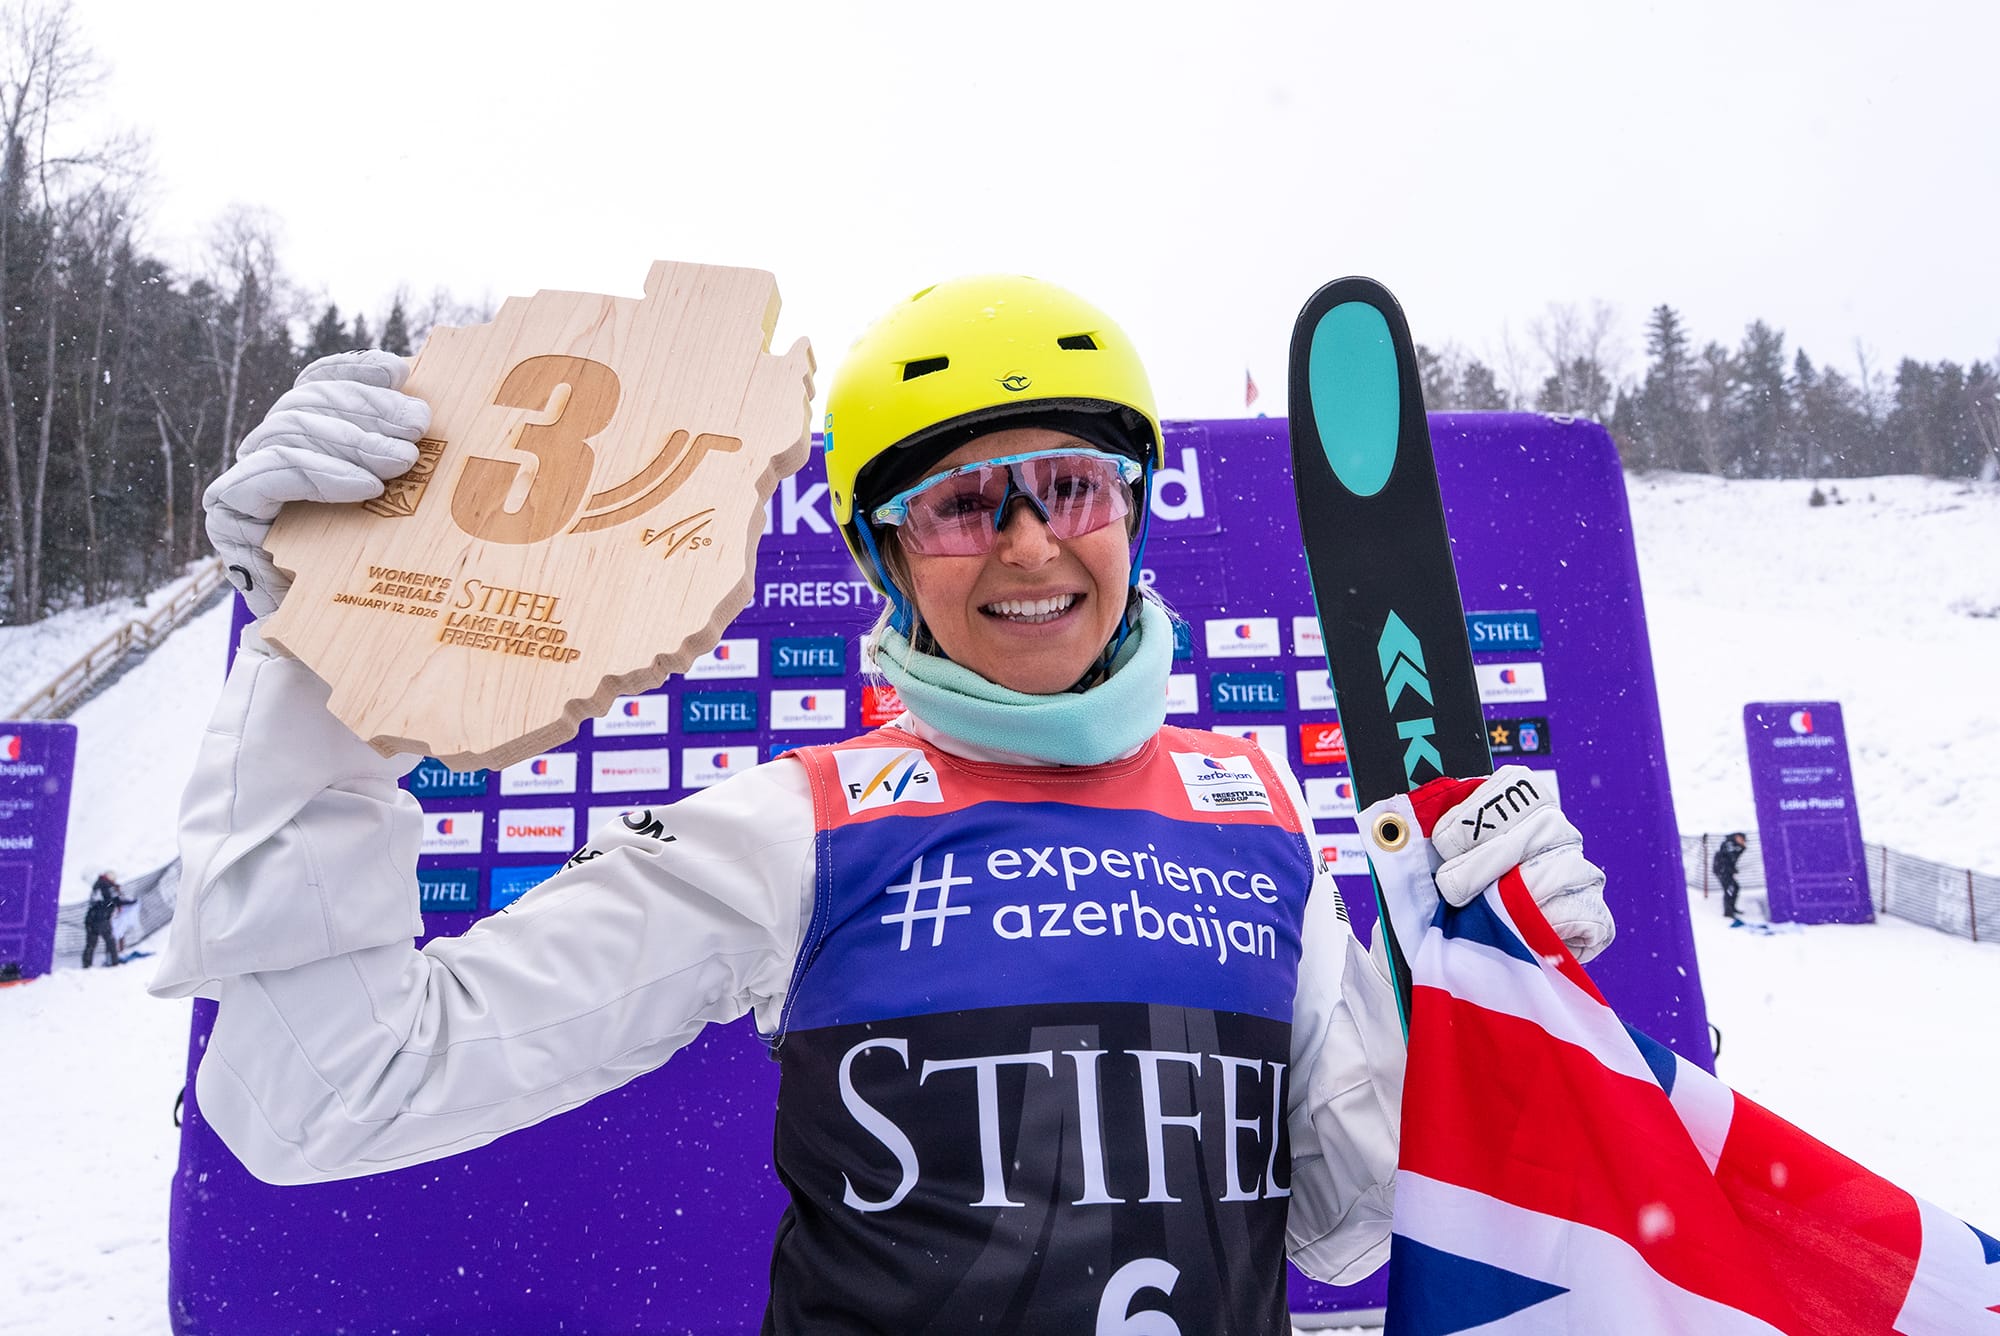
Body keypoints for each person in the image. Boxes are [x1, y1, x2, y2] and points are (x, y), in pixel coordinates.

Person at [153, 274, 1615, 1333]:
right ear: (882, 554)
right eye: (964, 503)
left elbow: (1347, 1227)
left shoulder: (1255, 814)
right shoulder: (798, 829)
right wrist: (324, 652)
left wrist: (1468, 993)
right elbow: (331, 1092)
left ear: (1130, 508)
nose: (1030, 543)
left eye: (1072, 486)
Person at [82, 871, 133, 968]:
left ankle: (86, 965)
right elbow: (115, 900)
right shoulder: (107, 886)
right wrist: (131, 902)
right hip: (102, 918)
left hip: (90, 918)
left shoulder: (97, 885)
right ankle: (114, 963)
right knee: (110, 941)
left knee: (90, 944)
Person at [1714, 831, 1749, 920]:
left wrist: (1742, 848)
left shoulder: (1736, 846)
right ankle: (1728, 912)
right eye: (1741, 839)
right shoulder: (1728, 844)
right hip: (1721, 869)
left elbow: (1733, 859)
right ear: (1737, 837)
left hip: (1727, 870)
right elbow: (1728, 856)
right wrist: (1730, 870)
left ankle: (1732, 908)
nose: (1742, 841)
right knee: (1729, 889)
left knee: (1735, 887)